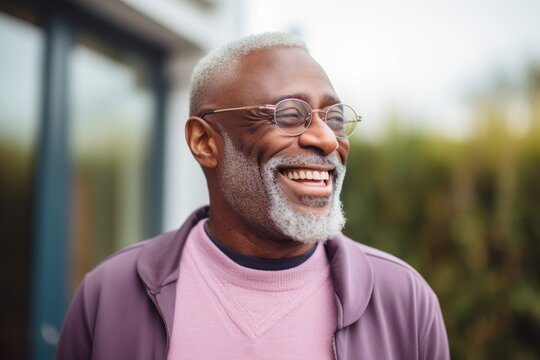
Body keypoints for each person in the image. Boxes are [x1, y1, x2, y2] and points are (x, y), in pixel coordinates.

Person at [55, 32, 450, 359]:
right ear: (205, 142)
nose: (327, 139)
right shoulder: (109, 296)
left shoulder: (405, 301)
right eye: (290, 115)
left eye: (334, 119)